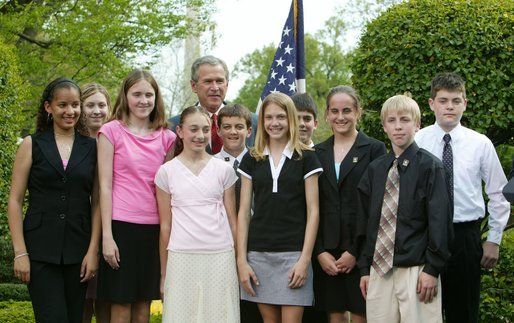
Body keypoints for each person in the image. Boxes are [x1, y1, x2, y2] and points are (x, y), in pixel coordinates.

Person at [414, 72, 510, 323]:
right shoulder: (417, 142)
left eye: (456, 101)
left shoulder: (480, 144)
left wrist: (494, 239)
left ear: (465, 103)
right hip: (424, 237)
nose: (450, 107)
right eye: (443, 100)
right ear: (431, 103)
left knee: (464, 313)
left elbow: (498, 193)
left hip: (465, 238)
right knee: (423, 312)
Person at [7, 77, 100, 322]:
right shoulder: (32, 144)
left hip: (78, 251)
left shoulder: (92, 147)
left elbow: (98, 202)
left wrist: (92, 251)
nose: (71, 111)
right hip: (39, 251)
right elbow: (15, 201)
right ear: (49, 107)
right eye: (63, 105)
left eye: (75, 105)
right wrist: (20, 253)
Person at [357, 94, 453, 323]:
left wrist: (432, 269)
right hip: (379, 270)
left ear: (417, 124)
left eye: (405, 120)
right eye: (391, 120)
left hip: (418, 270)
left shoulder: (432, 168)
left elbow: (440, 223)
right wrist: (364, 268)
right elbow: (364, 222)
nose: (398, 126)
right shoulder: (375, 170)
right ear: (384, 126)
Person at [96, 69, 176, 323]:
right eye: (137, 94)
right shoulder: (110, 132)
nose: (143, 100)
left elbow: (168, 192)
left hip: (153, 229)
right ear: (125, 96)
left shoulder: (168, 137)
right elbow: (104, 186)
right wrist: (106, 236)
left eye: (149, 95)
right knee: (120, 304)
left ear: (156, 98)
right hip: (120, 227)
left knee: (143, 304)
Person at [237, 92, 323, 322]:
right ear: (261, 121)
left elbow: (314, 212)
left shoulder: (306, 157)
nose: (274, 123)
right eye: (269, 117)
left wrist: (305, 260)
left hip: (294, 256)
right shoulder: (251, 158)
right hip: (258, 255)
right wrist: (242, 261)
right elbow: (244, 212)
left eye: (281, 117)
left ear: (291, 119)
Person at [155, 106, 239, 322]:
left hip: (220, 255)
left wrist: (240, 261)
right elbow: (165, 227)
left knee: (219, 314)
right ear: (180, 131)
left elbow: (233, 221)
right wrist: (164, 274)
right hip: (181, 256)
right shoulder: (166, 172)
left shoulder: (224, 170)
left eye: (204, 129)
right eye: (193, 129)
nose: (200, 136)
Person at [314, 86, 387, 323]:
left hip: (362, 249)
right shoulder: (317, 151)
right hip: (327, 251)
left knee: (361, 315)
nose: (340, 116)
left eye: (347, 110)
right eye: (334, 111)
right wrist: (320, 252)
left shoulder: (375, 149)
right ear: (327, 114)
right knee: (334, 316)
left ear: (358, 112)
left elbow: (378, 205)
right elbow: (312, 206)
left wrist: (356, 252)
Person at [213, 104, 261, 322]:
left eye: (239, 127)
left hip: (256, 243)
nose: (233, 132)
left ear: (249, 131)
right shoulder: (209, 164)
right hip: (220, 244)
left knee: (253, 305)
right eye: (227, 127)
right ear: (218, 130)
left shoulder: (261, 162)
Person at [168, 55, 258, 152]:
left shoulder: (255, 122)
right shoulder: (172, 126)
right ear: (194, 86)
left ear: (227, 85)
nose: (215, 88)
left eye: (219, 81)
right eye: (208, 81)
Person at [81, 82, 111, 323]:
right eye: (90, 105)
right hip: (80, 226)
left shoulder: (115, 141)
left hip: (111, 228)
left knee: (105, 300)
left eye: (102, 105)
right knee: (82, 300)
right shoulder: (76, 144)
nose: (96, 110)